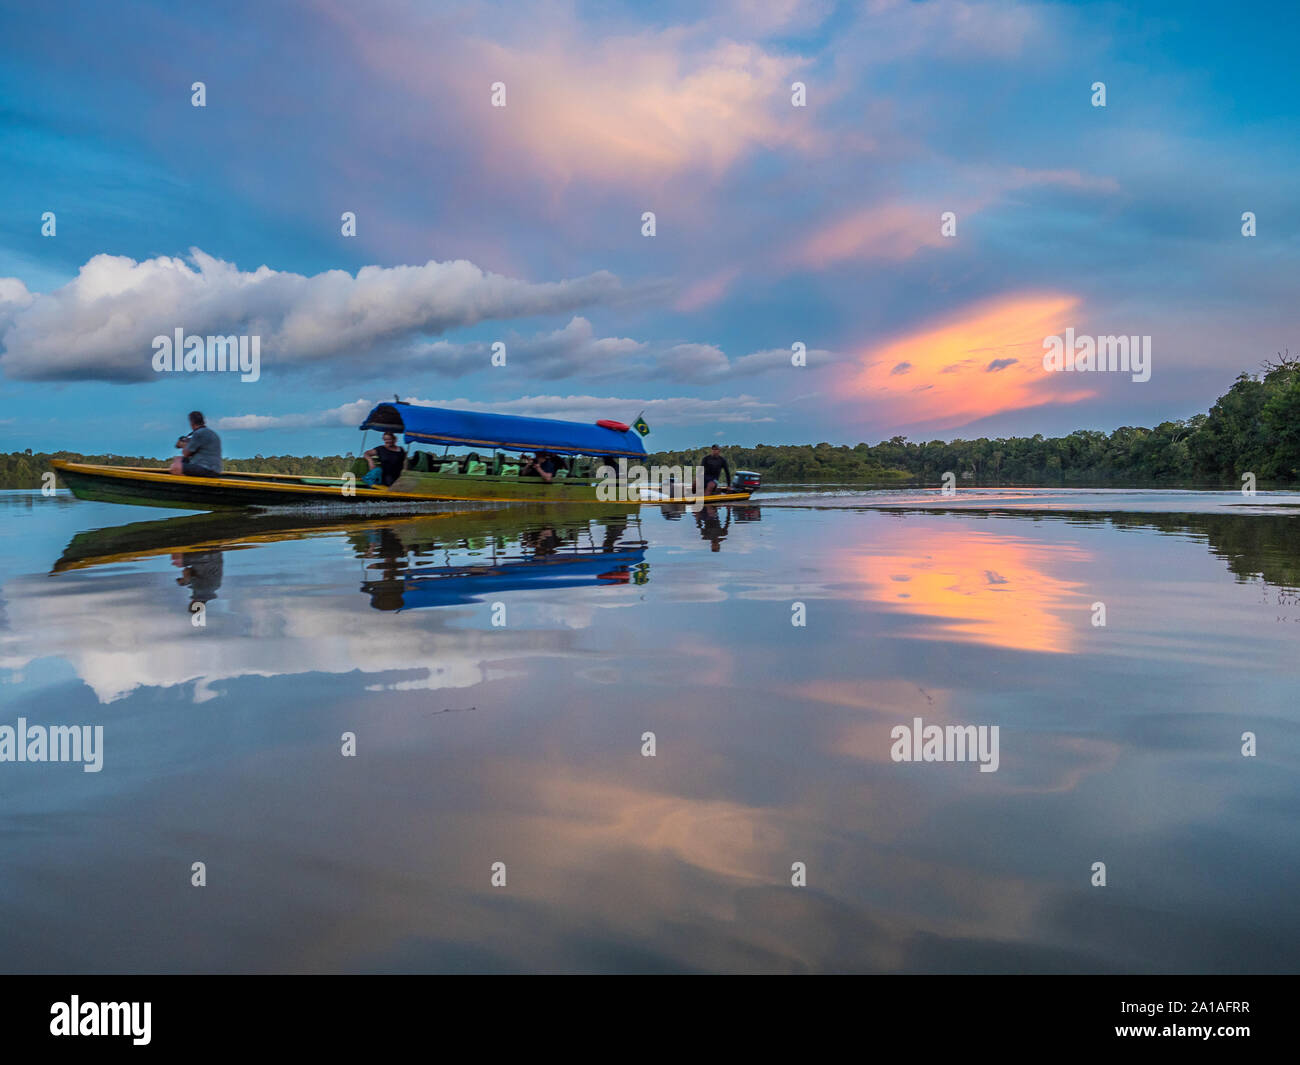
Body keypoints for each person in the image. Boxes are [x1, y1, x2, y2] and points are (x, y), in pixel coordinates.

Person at [170, 411, 222, 476]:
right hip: (216, 470)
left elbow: (186, 453)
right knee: (180, 460)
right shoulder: (213, 434)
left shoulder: (199, 433)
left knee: (176, 465)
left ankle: (185, 485)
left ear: (192, 422)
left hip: (206, 469)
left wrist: (182, 445)